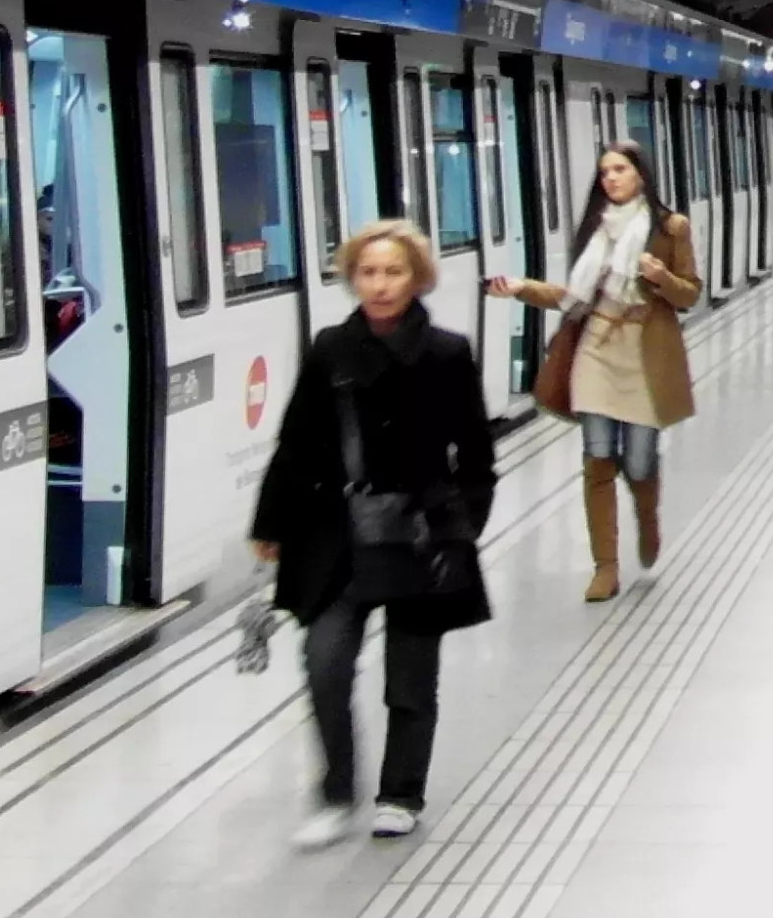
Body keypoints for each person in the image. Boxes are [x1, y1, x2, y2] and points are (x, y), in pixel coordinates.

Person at [249, 220, 495, 849]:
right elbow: (297, 440)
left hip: (421, 534)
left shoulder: (446, 352)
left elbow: (473, 452)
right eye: (368, 272)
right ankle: (336, 791)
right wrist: (270, 523)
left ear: (416, 279)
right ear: (351, 278)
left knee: (411, 677)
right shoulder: (331, 349)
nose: (380, 285)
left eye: (393, 272)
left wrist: (463, 526)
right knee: (324, 662)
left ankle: (400, 793)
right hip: (336, 537)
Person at [501, 141, 698, 603]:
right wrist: (521, 288)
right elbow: (572, 297)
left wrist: (660, 278)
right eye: (605, 172)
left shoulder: (671, 228)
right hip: (595, 350)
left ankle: (648, 516)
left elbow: (690, 294)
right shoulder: (597, 230)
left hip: (645, 355)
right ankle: (605, 567)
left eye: (620, 170)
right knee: (597, 458)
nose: (610, 179)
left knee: (639, 459)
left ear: (641, 176)